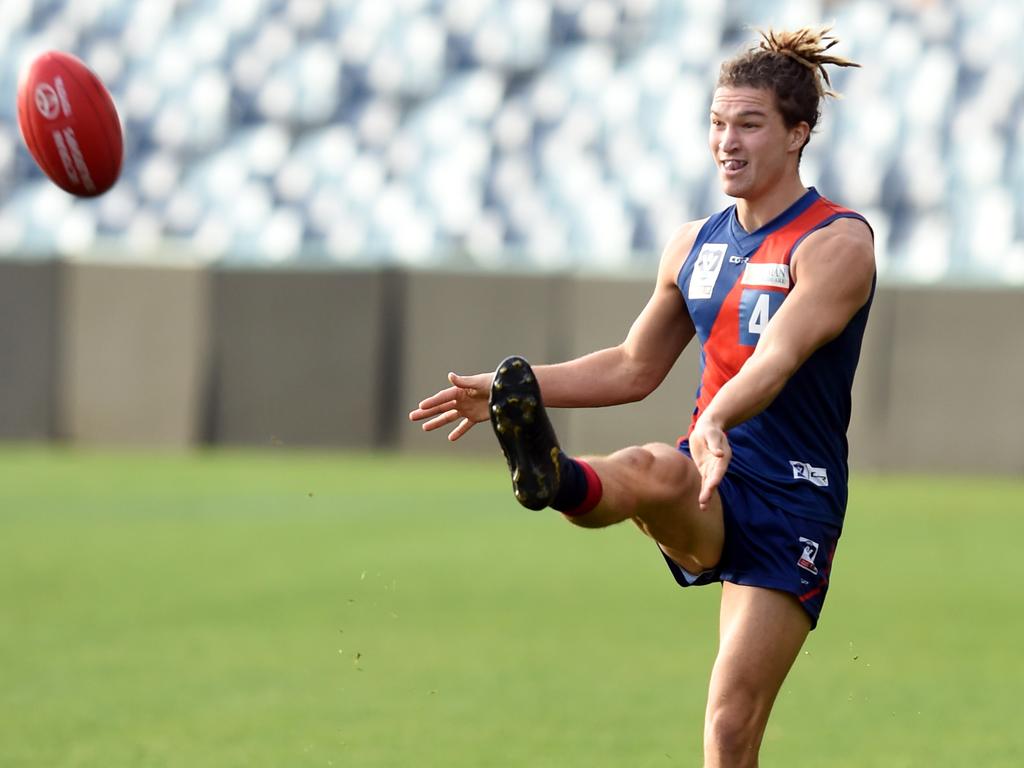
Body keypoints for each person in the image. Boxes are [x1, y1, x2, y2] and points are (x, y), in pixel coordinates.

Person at [410, 26, 874, 768]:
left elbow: (780, 355)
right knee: (654, 466)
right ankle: (550, 477)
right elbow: (632, 366)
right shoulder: (693, 244)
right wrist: (511, 388)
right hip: (710, 476)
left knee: (729, 727)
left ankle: (570, 474)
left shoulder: (836, 242)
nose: (727, 141)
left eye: (749, 124)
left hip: (795, 496)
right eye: (718, 123)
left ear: (798, 134)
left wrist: (719, 414)